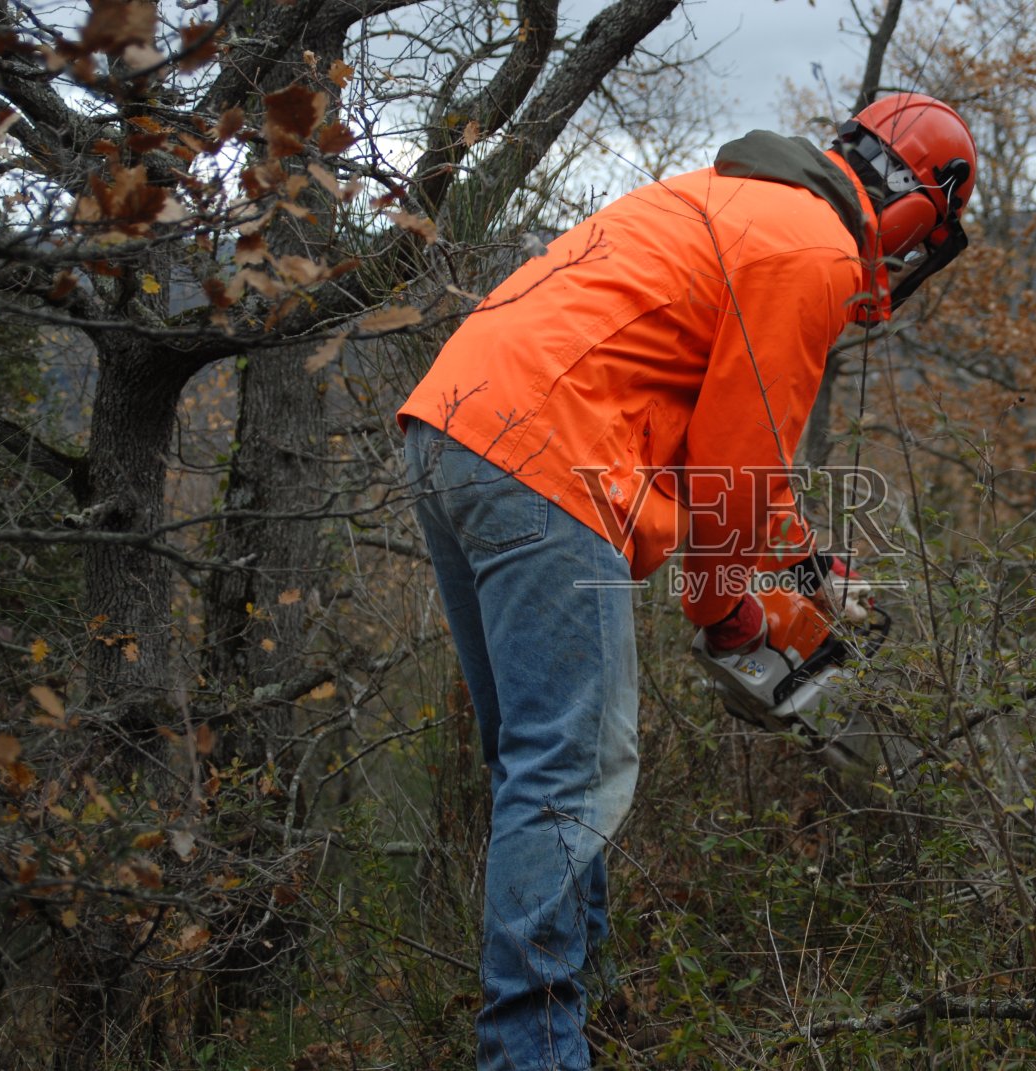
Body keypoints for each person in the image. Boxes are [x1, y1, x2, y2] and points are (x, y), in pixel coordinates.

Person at [398, 92, 976, 1070]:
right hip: (546, 454)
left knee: (538, 761)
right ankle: (534, 1052)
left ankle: (587, 1008)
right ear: (921, 207)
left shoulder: (735, 198)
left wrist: (805, 568)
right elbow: (735, 475)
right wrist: (726, 614)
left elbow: (732, 446)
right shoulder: (811, 249)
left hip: (451, 432)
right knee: (568, 767)